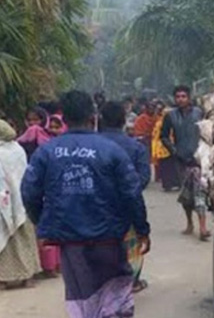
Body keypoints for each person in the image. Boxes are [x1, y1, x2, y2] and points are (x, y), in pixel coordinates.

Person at [21, 90, 150, 318]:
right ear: (93, 117)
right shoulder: (113, 151)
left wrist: (42, 223)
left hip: (70, 239)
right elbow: (132, 193)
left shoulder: (46, 152)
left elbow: (29, 191)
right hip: (110, 237)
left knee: (81, 296)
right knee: (115, 295)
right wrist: (141, 229)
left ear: (63, 119)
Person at [99, 102, 150, 293]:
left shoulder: (90, 145)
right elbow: (142, 180)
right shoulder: (136, 147)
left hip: (95, 207)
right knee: (131, 246)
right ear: (123, 121)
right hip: (126, 207)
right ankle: (132, 282)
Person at [160, 86, 209, 240]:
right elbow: (164, 136)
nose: (180, 99)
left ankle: (202, 227)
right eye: (178, 96)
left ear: (189, 97)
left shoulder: (200, 113)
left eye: (183, 96)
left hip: (198, 159)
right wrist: (175, 151)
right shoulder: (170, 116)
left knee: (200, 191)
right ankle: (189, 223)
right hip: (181, 160)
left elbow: (208, 132)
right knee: (186, 194)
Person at [0, 119, 41, 288]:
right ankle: (28, 275)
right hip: (21, 200)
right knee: (25, 238)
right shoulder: (18, 150)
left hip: (5, 200)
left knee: (5, 238)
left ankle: (3, 277)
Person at [150, 101, 169, 183]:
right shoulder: (159, 122)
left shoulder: (160, 122)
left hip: (165, 144)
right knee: (161, 163)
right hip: (160, 144)